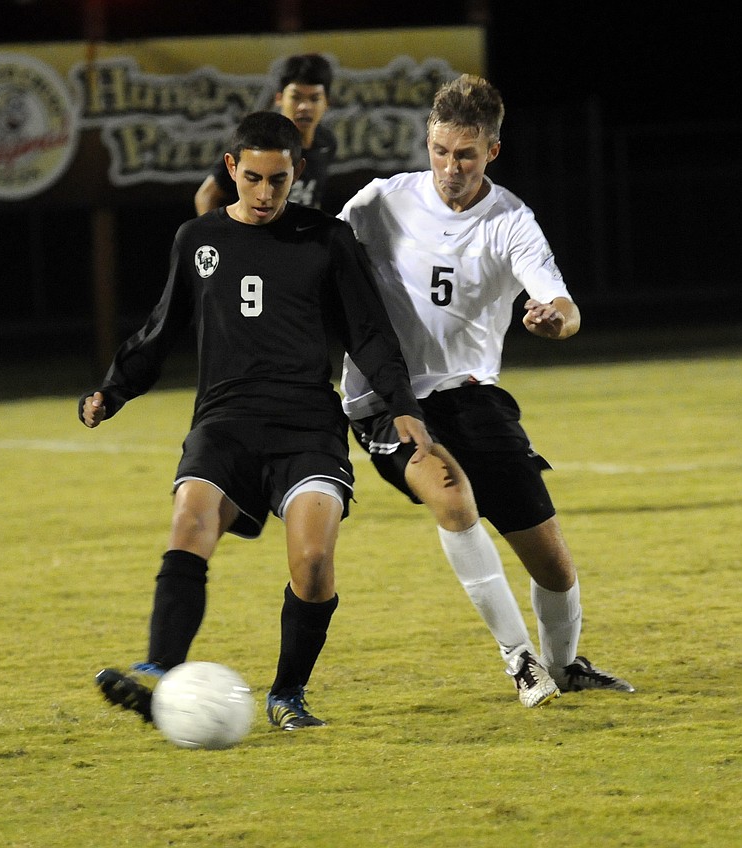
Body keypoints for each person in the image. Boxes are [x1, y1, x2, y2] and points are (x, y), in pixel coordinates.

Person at [80, 111, 434, 731]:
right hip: (225, 419)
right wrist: (114, 391)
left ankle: (287, 694)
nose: (266, 194)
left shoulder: (326, 238)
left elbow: (367, 332)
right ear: (230, 169)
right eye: (253, 178)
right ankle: (159, 671)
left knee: (315, 561)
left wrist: (402, 404)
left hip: (305, 424)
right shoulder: (197, 238)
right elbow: (162, 329)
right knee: (190, 518)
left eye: (279, 179)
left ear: (297, 172)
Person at [339, 74, 634, 707]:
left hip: (472, 397)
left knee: (553, 565)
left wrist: (554, 318)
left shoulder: (510, 220)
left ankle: (562, 666)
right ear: (428, 141)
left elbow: (562, 303)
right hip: (385, 399)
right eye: (440, 151)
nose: (449, 167)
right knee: (451, 495)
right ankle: (518, 658)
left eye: (465, 155)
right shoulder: (379, 202)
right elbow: (316, 267)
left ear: (492, 151)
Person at [194, 53, 335, 214]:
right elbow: (206, 195)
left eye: (314, 98)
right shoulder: (257, 142)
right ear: (279, 98)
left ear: (327, 102)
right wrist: (214, 238)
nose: (304, 106)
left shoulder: (327, 143)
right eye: (296, 97)